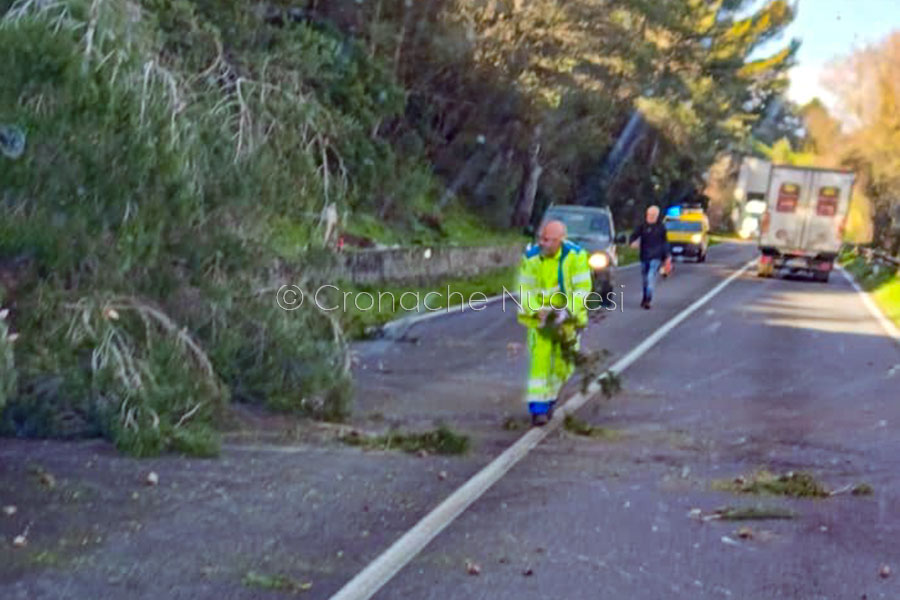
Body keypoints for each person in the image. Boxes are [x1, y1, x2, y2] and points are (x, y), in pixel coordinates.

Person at [516, 220, 593, 426]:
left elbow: (582, 289)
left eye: (547, 239)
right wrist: (535, 310)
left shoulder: (575, 256)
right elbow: (525, 290)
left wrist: (566, 311)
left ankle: (550, 398)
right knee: (540, 363)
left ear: (560, 240)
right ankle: (538, 409)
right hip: (541, 322)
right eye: (541, 238)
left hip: (568, 320)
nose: (542, 243)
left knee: (563, 365)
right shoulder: (532, 258)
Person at [628, 205, 672, 310]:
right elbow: (633, 236)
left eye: (653, 215)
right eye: (649, 215)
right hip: (644, 256)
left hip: (656, 257)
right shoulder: (642, 226)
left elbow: (665, 243)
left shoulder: (661, 228)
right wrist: (632, 243)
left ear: (656, 216)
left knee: (650, 278)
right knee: (645, 279)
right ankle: (645, 298)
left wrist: (667, 257)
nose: (651, 217)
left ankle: (648, 299)